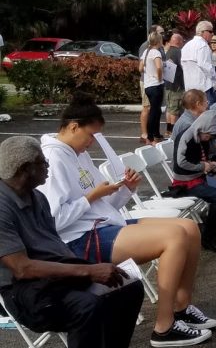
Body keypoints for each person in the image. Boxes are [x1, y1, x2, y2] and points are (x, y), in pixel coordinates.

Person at [36, 97, 216, 346]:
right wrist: (92, 197)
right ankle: (164, 327)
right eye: (90, 135)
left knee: (189, 228)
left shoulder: (78, 153)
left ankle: (180, 307)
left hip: (101, 226)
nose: (91, 143)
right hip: (79, 241)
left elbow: (102, 205)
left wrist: (124, 190)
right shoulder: (52, 160)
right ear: (74, 126)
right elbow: (55, 221)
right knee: (174, 237)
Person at [0, 136, 146, 348]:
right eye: (42, 162)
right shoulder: (2, 207)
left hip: (53, 277)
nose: (48, 165)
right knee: (86, 305)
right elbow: (22, 269)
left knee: (128, 287)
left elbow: (54, 246)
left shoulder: (37, 197)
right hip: (23, 291)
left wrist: (89, 268)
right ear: (25, 169)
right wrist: (87, 271)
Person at [173, 111, 216, 252]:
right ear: (202, 128)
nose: (208, 139)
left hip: (199, 178)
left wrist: (213, 161)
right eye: (207, 136)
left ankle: (210, 229)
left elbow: (207, 156)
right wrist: (203, 166)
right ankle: (209, 237)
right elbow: (180, 163)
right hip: (185, 182)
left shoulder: (203, 138)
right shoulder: (186, 137)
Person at [138, 24, 166, 143]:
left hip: (148, 85)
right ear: (158, 41)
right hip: (156, 85)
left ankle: (154, 134)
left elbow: (140, 68)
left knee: (155, 110)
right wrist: (159, 77)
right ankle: (151, 136)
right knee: (155, 111)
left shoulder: (146, 52)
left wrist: (148, 72)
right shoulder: (156, 52)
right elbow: (159, 67)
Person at [181, 21, 216, 104]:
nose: (212, 34)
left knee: (193, 114)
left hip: (190, 88)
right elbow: (205, 66)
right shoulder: (203, 45)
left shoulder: (186, 45)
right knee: (208, 115)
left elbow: (183, 65)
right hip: (204, 89)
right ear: (202, 32)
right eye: (210, 31)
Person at [164, 31, 186, 138]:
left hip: (168, 85)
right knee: (175, 110)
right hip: (177, 86)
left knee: (169, 108)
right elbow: (183, 66)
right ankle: (173, 132)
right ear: (179, 41)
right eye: (182, 41)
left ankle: (168, 130)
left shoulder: (168, 51)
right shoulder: (178, 52)